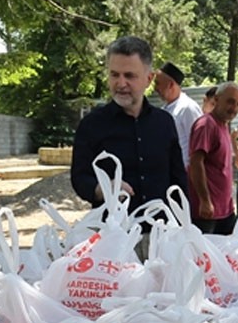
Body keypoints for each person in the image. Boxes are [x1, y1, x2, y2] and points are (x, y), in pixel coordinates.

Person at [70, 36, 187, 215]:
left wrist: (184, 227)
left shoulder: (164, 122)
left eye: (129, 76)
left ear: (148, 79)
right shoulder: (91, 125)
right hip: (113, 234)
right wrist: (102, 188)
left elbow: (179, 181)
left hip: (162, 233)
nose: (121, 83)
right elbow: (79, 177)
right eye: (114, 74)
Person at [188, 82, 238, 234]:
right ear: (217, 99)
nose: (234, 108)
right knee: (205, 256)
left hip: (224, 209)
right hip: (207, 212)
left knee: (231, 252)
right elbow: (195, 163)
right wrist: (205, 200)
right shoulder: (206, 124)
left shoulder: (223, 125)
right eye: (230, 101)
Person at [154, 62, 204, 169]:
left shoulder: (188, 108)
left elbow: (198, 146)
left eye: (158, 83)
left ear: (171, 84)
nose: (155, 88)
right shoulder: (165, 109)